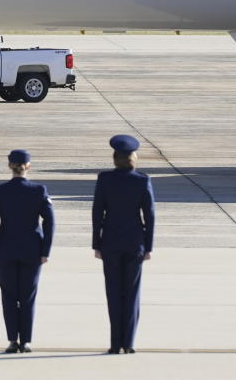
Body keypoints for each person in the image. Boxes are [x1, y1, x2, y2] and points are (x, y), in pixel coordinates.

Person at [0, 149, 55, 354]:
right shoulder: (39, 190)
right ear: (29, 166)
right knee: (28, 295)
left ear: (9, 166)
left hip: (6, 250)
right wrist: (46, 250)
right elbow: (50, 221)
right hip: (32, 250)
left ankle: (12, 340)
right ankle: (26, 340)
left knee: (8, 296)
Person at [92, 134, 155, 354]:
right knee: (131, 294)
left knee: (113, 293)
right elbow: (150, 216)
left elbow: (97, 213)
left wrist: (96, 244)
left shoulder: (105, 179)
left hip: (110, 242)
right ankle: (128, 343)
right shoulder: (142, 181)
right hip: (134, 243)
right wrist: (148, 246)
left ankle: (114, 343)